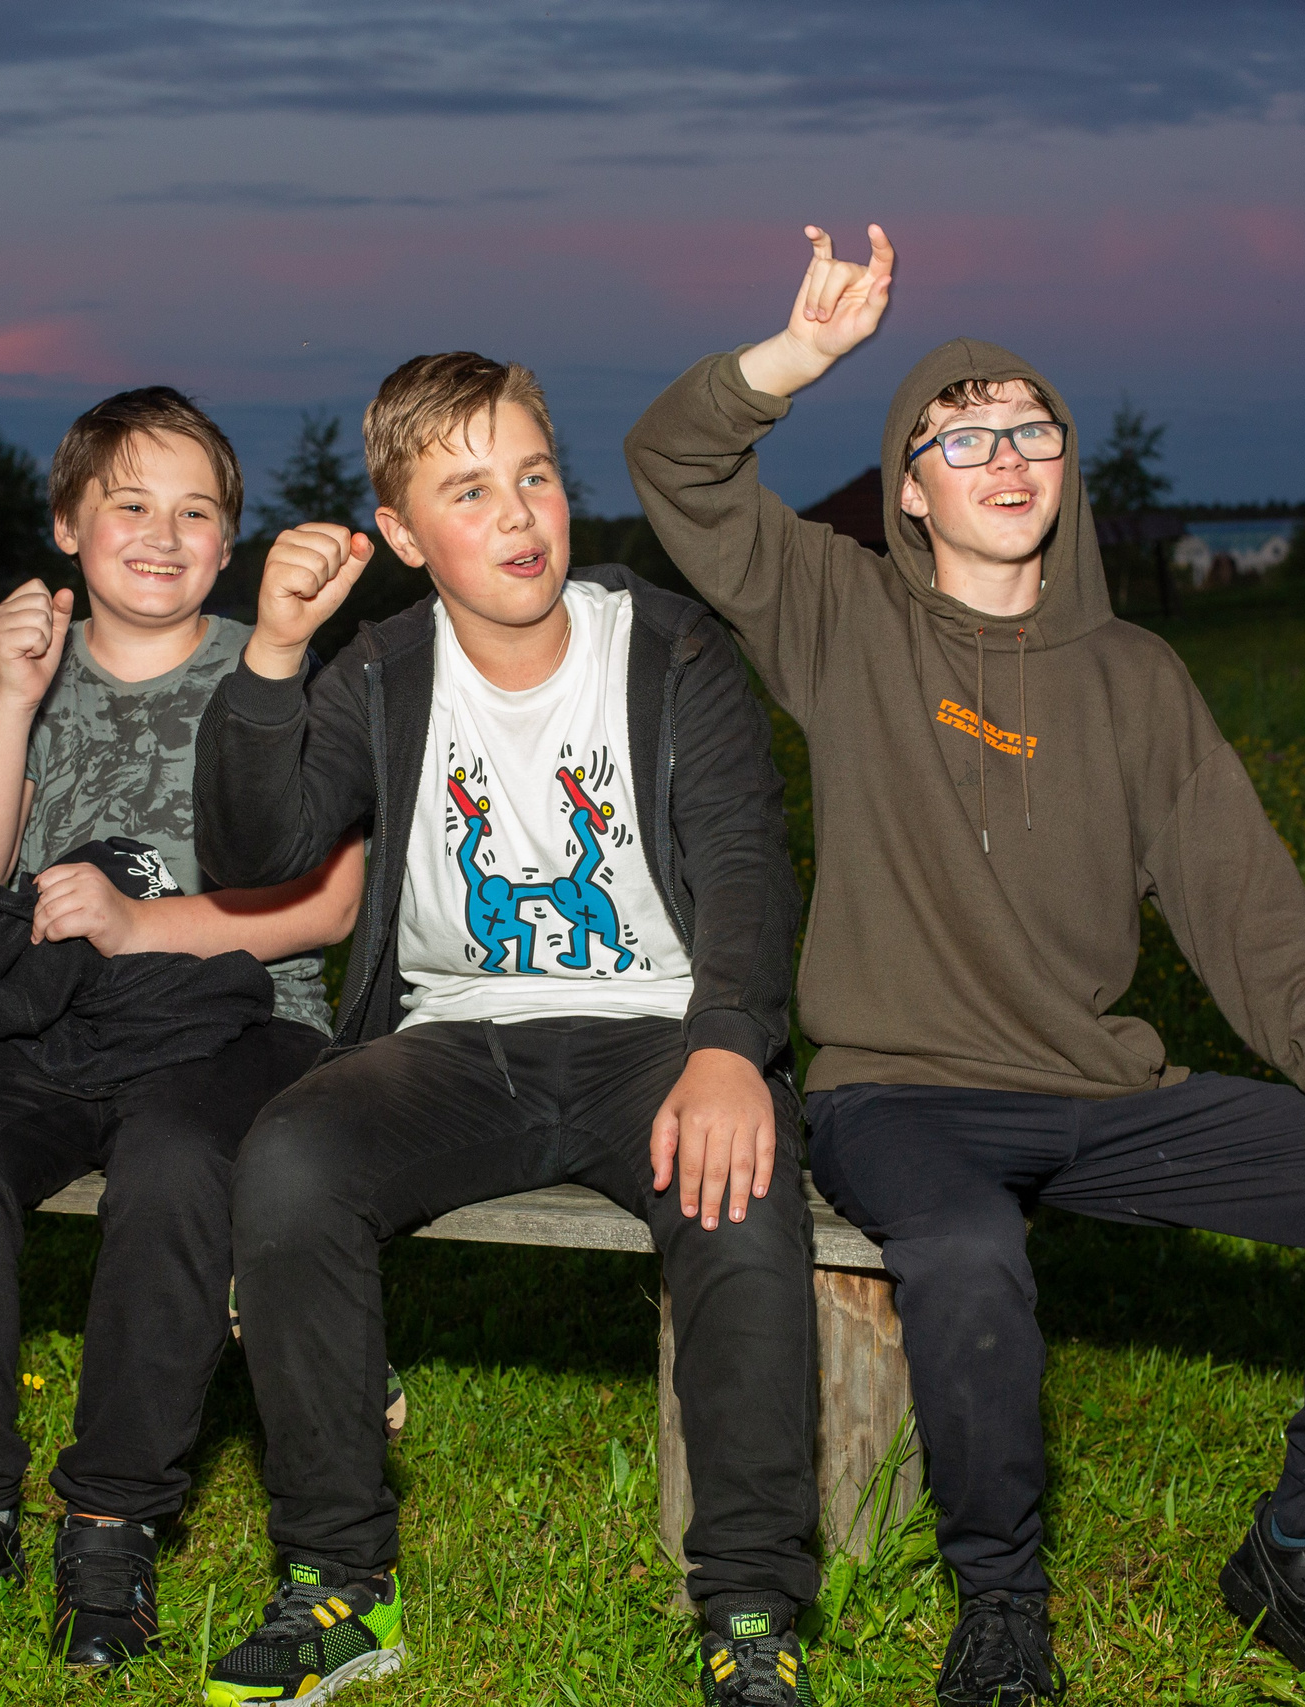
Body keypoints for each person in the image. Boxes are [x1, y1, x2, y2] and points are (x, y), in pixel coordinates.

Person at [625, 224, 1305, 1703]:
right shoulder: (846, 619)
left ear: (1066, 466)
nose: (1005, 458)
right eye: (960, 438)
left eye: (1032, 430)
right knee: (964, 1250)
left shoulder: (1137, 677)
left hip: (1097, 1088)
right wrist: (802, 358)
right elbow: (675, 465)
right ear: (908, 488)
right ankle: (1000, 1602)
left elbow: (1245, 907)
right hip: (906, 1092)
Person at [193, 353, 818, 1707]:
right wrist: (273, 652)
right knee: (290, 1159)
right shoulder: (378, 670)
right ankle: (339, 1582)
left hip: (654, 1032)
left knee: (743, 1189)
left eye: (535, 475)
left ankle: (754, 1608)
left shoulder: (672, 649)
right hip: (453, 1043)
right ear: (408, 535)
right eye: (470, 490)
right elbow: (256, 849)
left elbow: (750, 872)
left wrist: (729, 1046)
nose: (521, 514)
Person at [0, 388, 363, 1666]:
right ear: (69, 525)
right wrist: (15, 697)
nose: (161, 534)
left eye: (194, 511)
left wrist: (143, 923)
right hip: (49, 1020)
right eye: (128, 504)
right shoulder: (16, 673)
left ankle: (111, 1523)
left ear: (229, 539)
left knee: (180, 1165)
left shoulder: (273, 667)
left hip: (239, 1022)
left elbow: (328, 903)